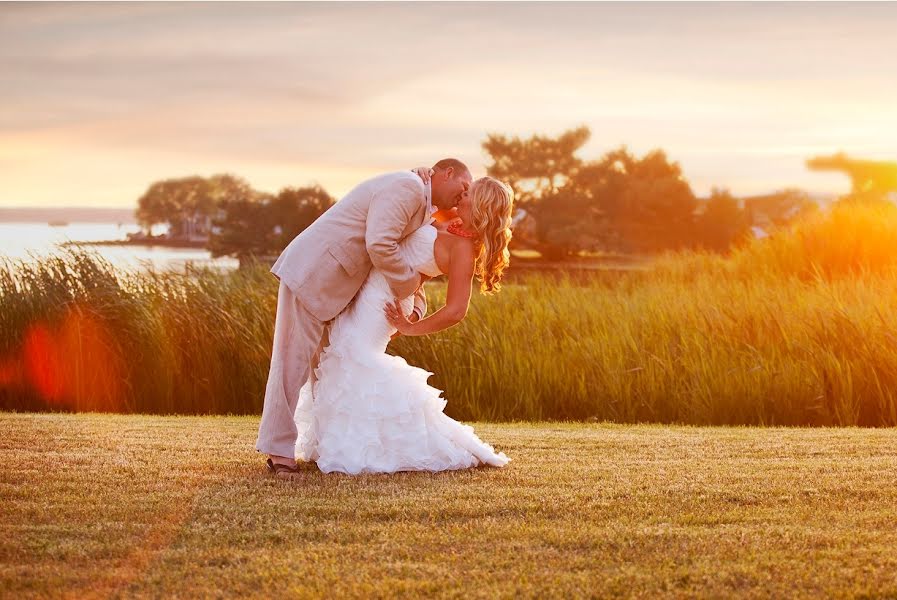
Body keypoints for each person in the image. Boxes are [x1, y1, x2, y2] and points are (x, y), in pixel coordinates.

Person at [256, 159, 472, 479]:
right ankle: (278, 451)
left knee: (324, 368)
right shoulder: (407, 187)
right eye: (463, 187)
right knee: (292, 362)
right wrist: (408, 289)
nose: (462, 195)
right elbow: (380, 244)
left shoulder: (424, 206)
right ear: (446, 173)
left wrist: (414, 306)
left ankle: (325, 446)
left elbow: (406, 254)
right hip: (315, 271)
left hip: (343, 286)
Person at [293, 174, 514, 475]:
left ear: (481, 206)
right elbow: (419, 205)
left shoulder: (464, 250)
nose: (461, 196)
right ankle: (337, 441)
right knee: (342, 357)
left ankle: (361, 446)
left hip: (383, 302)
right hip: (370, 289)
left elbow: (456, 310)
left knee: (354, 358)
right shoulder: (451, 224)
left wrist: (410, 327)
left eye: (469, 195)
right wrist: (424, 172)